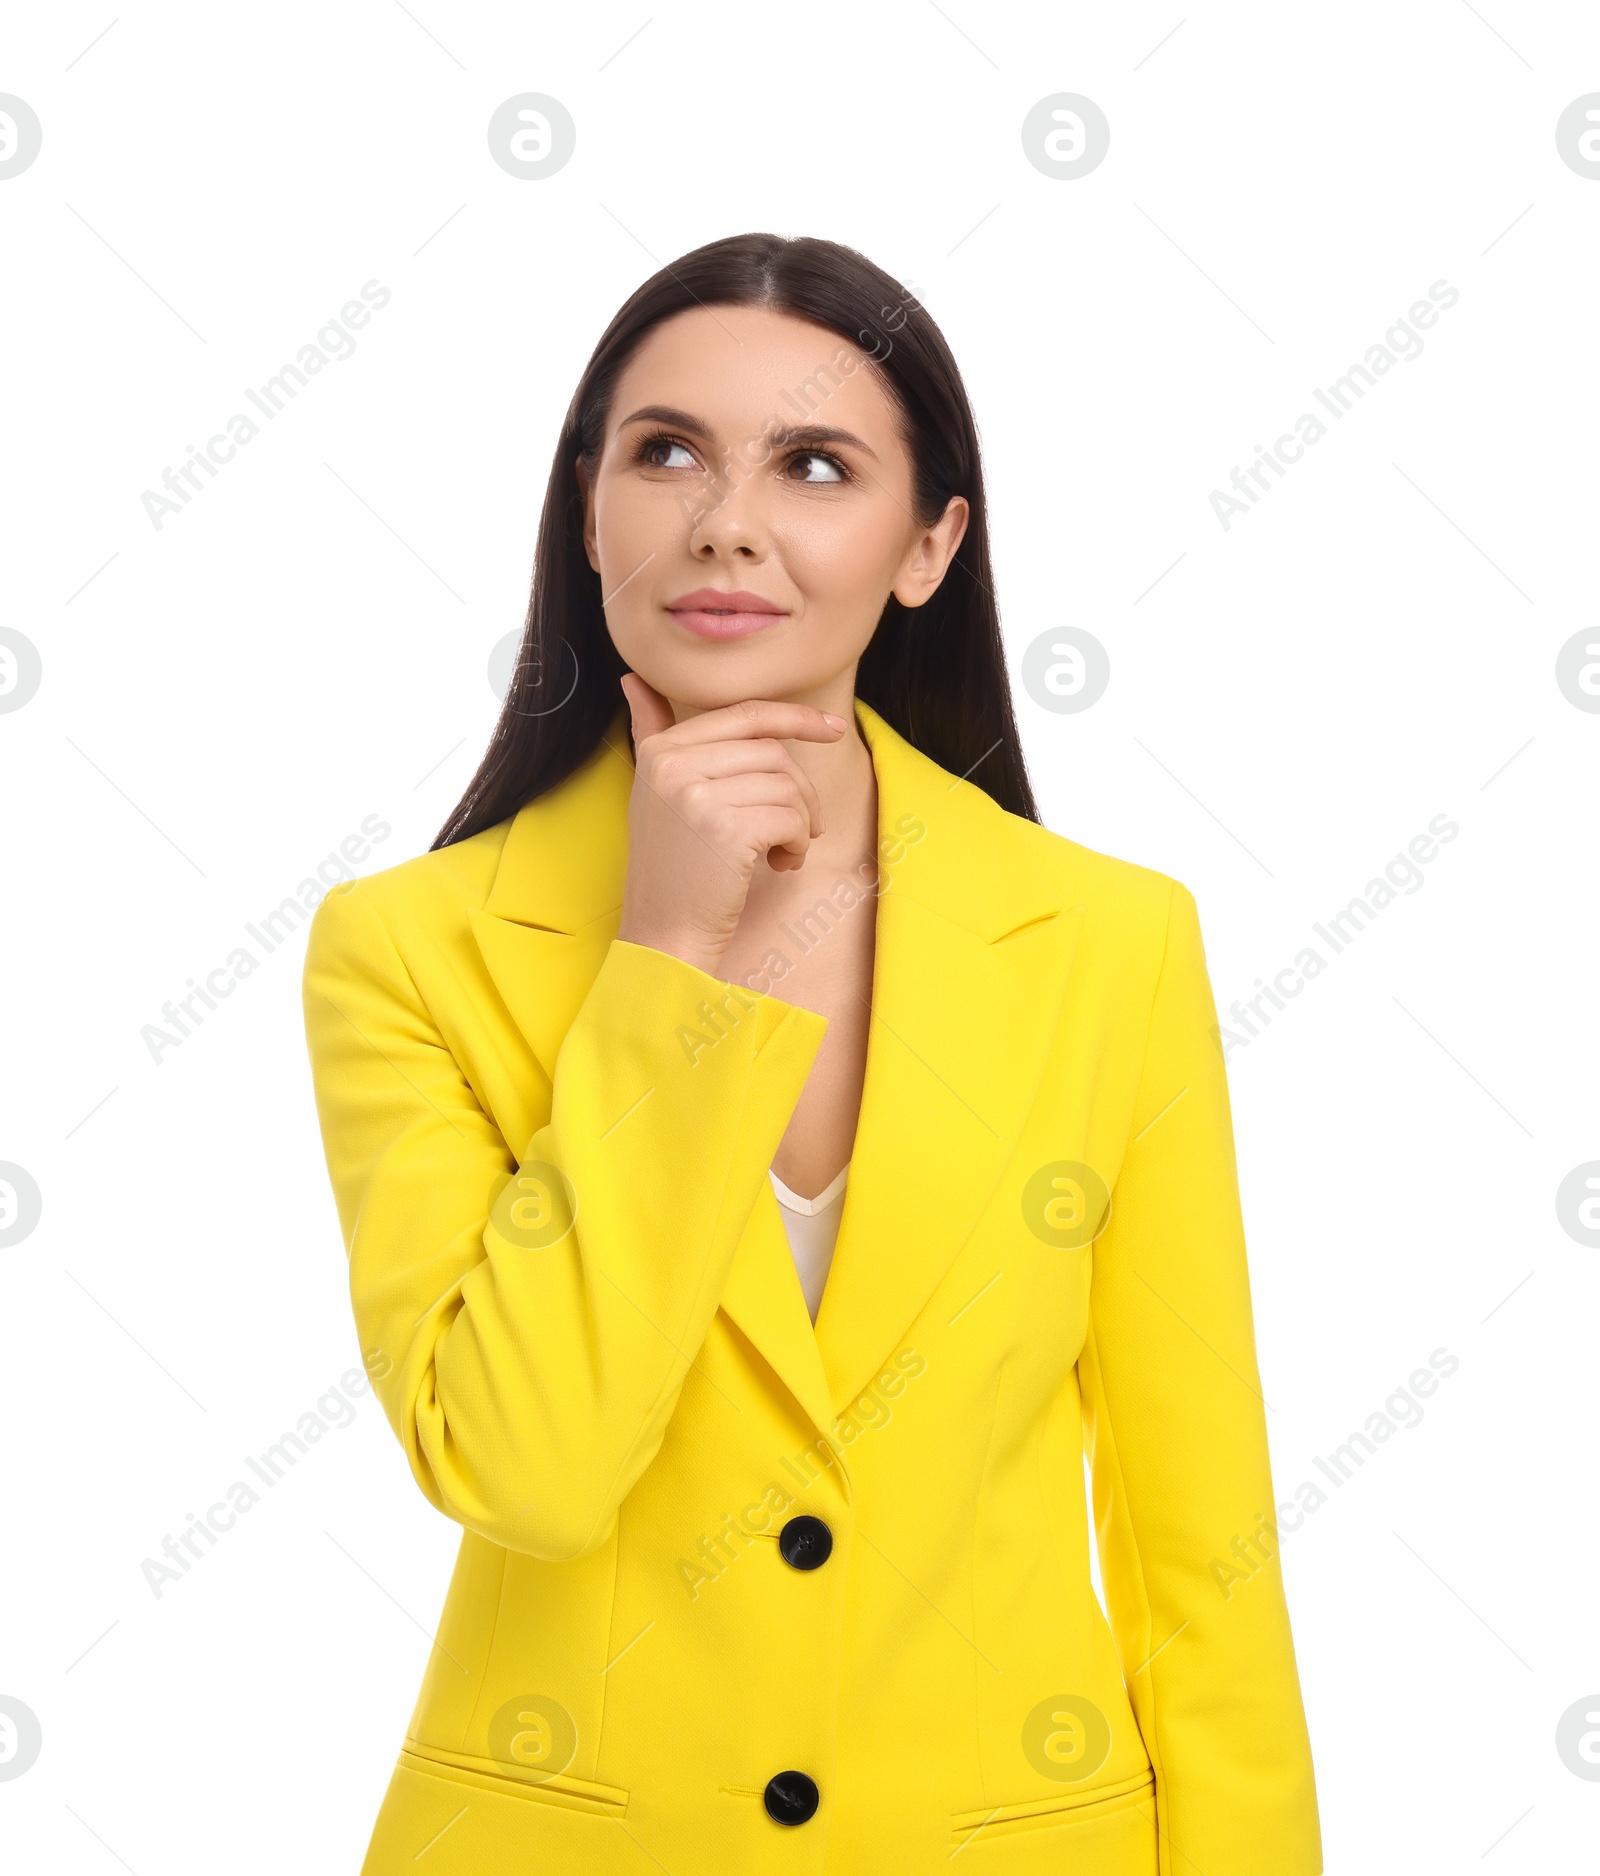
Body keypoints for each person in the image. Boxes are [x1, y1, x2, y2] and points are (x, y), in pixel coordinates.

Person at [301, 231, 1322, 1874]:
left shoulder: (1112, 944)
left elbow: (1202, 1552)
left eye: (818, 466)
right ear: (587, 512)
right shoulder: (409, 950)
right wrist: (669, 961)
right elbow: (528, 1468)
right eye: (668, 453)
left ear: (928, 546)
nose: (729, 522)